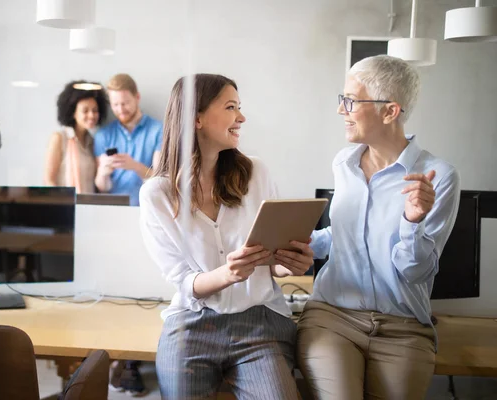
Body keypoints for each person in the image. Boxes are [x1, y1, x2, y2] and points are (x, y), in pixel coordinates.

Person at [297, 55, 461, 400]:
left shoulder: (438, 177)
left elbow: (416, 272)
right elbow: (346, 234)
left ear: (390, 111)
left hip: (403, 327)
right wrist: (302, 242)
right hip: (333, 314)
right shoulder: (344, 162)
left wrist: (412, 222)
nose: (341, 110)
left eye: (351, 101)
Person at [139, 74, 312, 399]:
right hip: (193, 323)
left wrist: (290, 263)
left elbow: (274, 262)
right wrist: (228, 274)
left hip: (259, 321)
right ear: (197, 118)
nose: (241, 118)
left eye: (239, 107)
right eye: (231, 107)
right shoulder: (156, 195)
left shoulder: (256, 173)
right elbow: (184, 281)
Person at [94, 73, 163, 206]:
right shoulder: (103, 135)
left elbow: (159, 180)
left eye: (125, 103)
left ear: (137, 97)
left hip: (148, 207)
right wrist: (103, 173)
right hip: (114, 209)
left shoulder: (158, 130)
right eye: (115, 105)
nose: (120, 110)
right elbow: (103, 187)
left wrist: (134, 166)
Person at [44, 80, 108, 194]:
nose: (91, 115)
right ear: (73, 112)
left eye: (95, 110)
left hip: (91, 208)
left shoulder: (93, 142)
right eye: (85, 110)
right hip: (64, 207)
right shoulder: (59, 138)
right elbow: (48, 181)